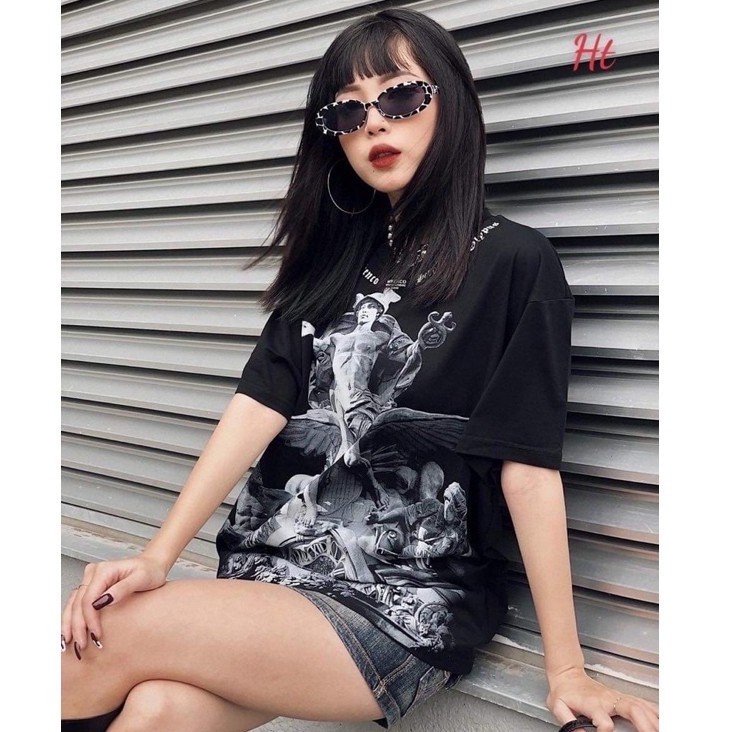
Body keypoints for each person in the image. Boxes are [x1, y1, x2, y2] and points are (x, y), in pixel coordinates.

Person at [60, 8, 660, 732]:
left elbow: (527, 470)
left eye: (400, 96)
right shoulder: (332, 262)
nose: (374, 122)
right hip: (274, 572)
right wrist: (158, 556)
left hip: (404, 601)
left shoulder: (514, 261)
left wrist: (566, 670)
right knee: (156, 712)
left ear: (451, 103)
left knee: (106, 634)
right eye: (348, 110)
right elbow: (258, 405)